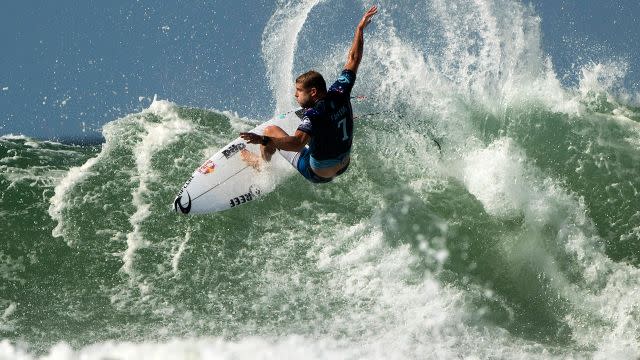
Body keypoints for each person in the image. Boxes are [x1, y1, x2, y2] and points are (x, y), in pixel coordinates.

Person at [239, 5, 378, 183]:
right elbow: (353, 59)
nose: (295, 96)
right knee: (321, 130)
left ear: (313, 92)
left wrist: (264, 139)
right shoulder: (340, 90)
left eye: (299, 91)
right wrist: (359, 29)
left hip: (320, 174)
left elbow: (297, 143)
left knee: (270, 130)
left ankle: (261, 165)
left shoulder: (313, 114)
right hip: (343, 165)